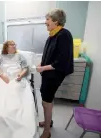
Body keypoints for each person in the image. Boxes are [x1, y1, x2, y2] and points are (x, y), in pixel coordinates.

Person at [36, 9, 74, 138]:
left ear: (56, 21)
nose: (45, 22)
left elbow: (62, 60)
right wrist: (42, 64)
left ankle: (47, 131)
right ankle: (49, 121)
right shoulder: (52, 34)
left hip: (55, 74)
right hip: (48, 72)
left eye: (48, 19)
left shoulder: (64, 35)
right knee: (47, 98)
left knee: (46, 101)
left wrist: (44, 68)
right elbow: (48, 54)